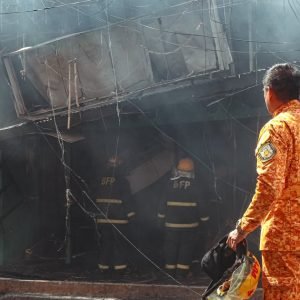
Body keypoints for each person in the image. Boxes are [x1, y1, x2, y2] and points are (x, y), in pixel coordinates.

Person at [227, 63, 300, 299]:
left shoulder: (278, 128)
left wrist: (243, 228)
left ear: (269, 91)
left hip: (285, 239)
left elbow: (269, 187)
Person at [158, 157, 210, 280]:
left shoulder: (169, 184)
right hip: (189, 226)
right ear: (192, 171)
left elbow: (162, 204)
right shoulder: (196, 186)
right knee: (186, 249)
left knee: (170, 247)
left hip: (170, 225)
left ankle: (169, 273)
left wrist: (160, 221)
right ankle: (181, 275)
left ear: (177, 170)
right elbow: (202, 207)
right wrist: (206, 222)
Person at [94, 155, 135, 278]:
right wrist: (131, 215)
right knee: (119, 244)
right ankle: (119, 269)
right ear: (119, 166)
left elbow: (94, 195)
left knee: (106, 243)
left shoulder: (100, 179)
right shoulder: (122, 181)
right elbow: (127, 199)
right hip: (119, 219)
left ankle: (103, 268)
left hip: (103, 217)